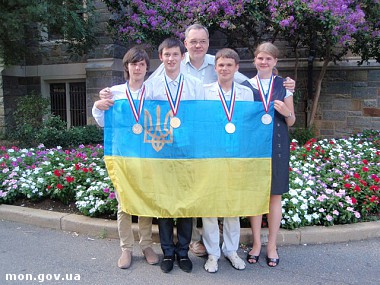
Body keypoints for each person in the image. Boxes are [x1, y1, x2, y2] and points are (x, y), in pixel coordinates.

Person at [98, 23, 297, 257]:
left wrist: (281, 82)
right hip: (161, 148)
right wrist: (102, 99)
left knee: (193, 192)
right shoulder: (155, 81)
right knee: (166, 196)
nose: (197, 45)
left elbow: (237, 84)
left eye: (201, 41)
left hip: (197, 147)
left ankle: (194, 245)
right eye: (193, 42)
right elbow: (141, 106)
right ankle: (164, 247)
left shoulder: (213, 71)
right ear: (183, 47)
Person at [92, 47, 159, 269]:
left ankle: (146, 244)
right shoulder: (114, 92)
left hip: (148, 156)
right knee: (124, 205)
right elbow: (102, 121)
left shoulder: (153, 93)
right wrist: (97, 105)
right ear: (127, 67)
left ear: (147, 68)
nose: (137, 68)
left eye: (141, 64)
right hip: (122, 156)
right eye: (133, 64)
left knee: (145, 202)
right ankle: (126, 248)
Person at [144, 37, 205, 273]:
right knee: (166, 204)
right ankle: (168, 252)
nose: (171, 59)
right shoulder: (152, 86)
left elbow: (200, 118)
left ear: (183, 57)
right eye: (166, 55)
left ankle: (183, 251)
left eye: (175, 55)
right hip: (162, 150)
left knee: (187, 204)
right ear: (161, 57)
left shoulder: (194, 84)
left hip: (188, 151)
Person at [242, 42, 296, 267]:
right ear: (254, 60)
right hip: (254, 146)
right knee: (256, 195)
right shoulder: (245, 85)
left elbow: (291, 121)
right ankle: (256, 243)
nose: (264, 62)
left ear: (275, 62)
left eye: (268, 59)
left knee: (275, 196)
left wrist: (286, 112)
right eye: (260, 58)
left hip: (277, 145)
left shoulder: (284, 85)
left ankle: (271, 245)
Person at [202, 48, 254, 273]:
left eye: (229, 65)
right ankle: (213, 253)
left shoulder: (245, 93)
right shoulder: (204, 92)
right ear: (215, 68)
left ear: (236, 68)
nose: (224, 69)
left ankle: (231, 250)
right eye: (221, 65)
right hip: (211, 155)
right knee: (210, 206)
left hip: (236, 156)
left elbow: (248, 125)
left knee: (233, 205)